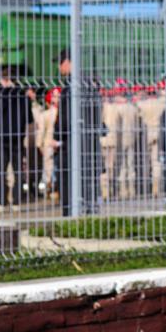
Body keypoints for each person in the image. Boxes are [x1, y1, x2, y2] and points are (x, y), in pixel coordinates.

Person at [53, 49, 103, 216]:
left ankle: (71, 217)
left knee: (69, 183)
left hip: (72, 144)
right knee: (89, 184)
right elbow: (98, 114)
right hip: (90, 140)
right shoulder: (90, 85)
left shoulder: (70, 88)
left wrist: (57, 137)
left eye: (60, 63)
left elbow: (65, 118)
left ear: (68, 62)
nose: (59, 68)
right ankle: (89, 214)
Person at [0, 69, 33, 211]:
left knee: (1, 170)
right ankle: (17, 201)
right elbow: (29, 118)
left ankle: (1, 201)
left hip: (0, 137)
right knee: (18, 170)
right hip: (17, 137)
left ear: (4, 80)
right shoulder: (22, 95)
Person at [136, 84, 166, 198]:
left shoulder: (142, 104)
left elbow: (136, 108)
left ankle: (145, 186)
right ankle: (156, 187)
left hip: (146, 133)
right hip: (157, 132)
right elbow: (165, 97)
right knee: (156, 161)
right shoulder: (160, 103)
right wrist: (161, 92)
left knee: (145, 160)